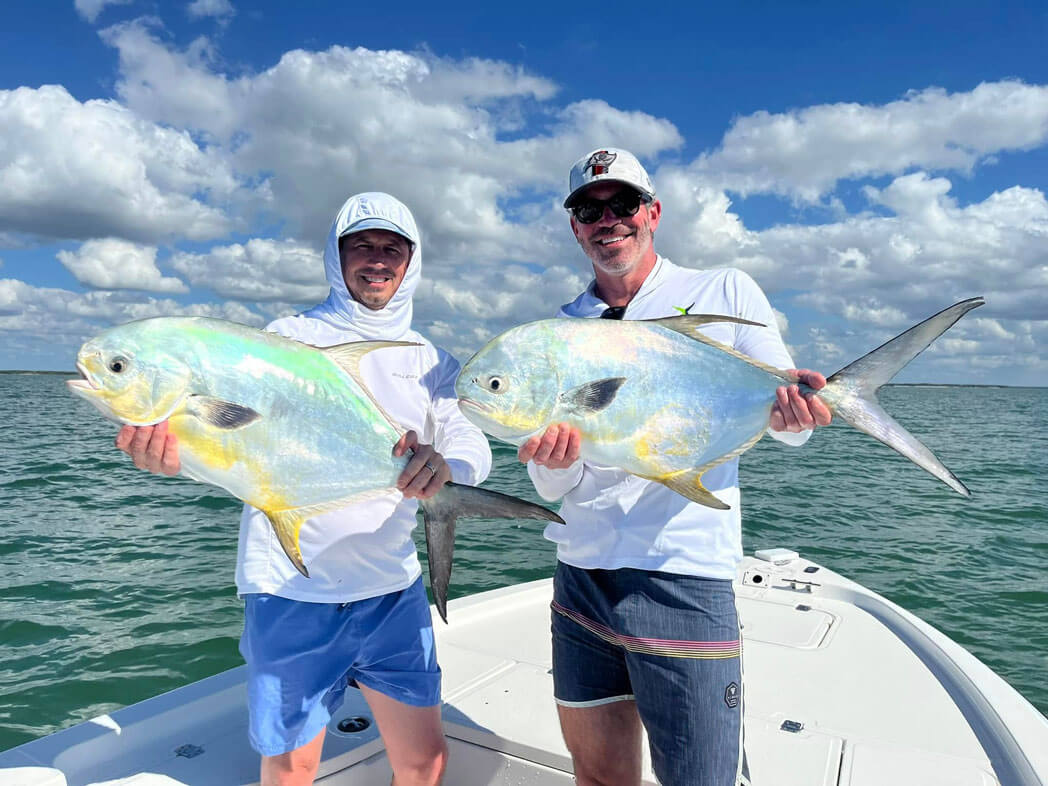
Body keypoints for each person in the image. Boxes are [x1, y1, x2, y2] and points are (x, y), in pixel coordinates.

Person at [115, 192, 492, 786]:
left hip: (394, 589)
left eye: (392, 247)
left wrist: (448, 470)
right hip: (292, 590)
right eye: (361, 245)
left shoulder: (432, 360)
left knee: (426, 762)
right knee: (292, 769)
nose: (377, 259)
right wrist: (175, 457)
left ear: (412, 261)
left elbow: (470, 442)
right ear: (335, 256)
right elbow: (239, 447)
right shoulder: (284, 338)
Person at [518, 149, 832, 786]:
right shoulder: (561, 332)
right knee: (599, 776)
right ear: (574, 226)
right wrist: (549, 466)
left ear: (653, 212)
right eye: (588, 208)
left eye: (623, 204)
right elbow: (560, 484)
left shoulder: (723, 290)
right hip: (581, 580)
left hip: (684, 577)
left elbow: (787, 423)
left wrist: (797, 413)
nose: (608, 220)